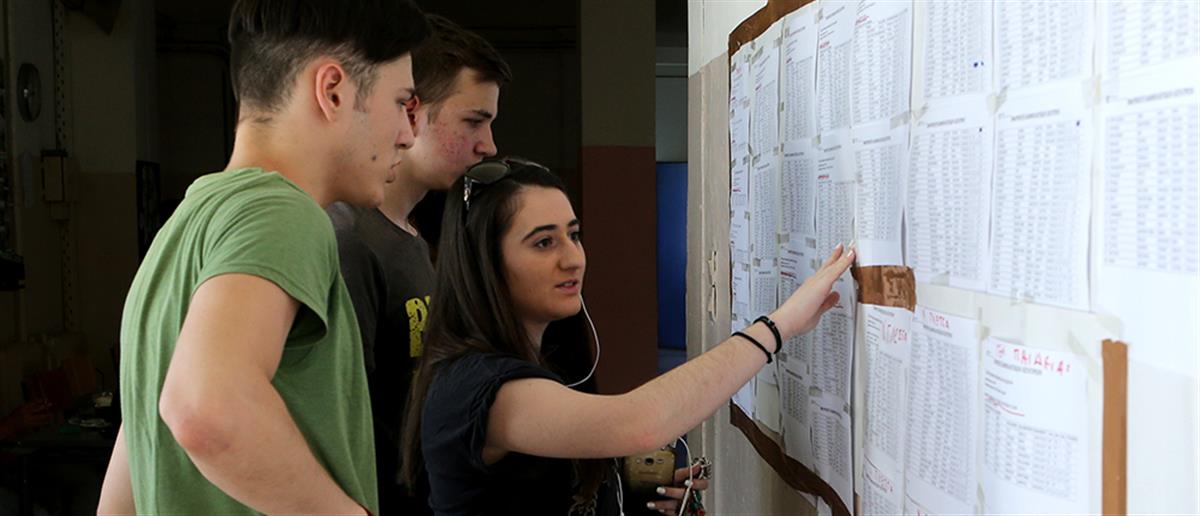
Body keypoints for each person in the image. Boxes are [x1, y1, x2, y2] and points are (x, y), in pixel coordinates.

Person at [96, 1, 428, 514]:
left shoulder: (186, 224)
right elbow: (204, 408)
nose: (408, 134)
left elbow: (134, 458)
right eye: (401, 103)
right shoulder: (283, 214)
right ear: (333, 91)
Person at [401, 158, 856, 515]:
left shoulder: (544, 362)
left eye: (574, 235)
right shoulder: (474, 385)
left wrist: (631, 488)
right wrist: (777, 327)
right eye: (544, 242)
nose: (573, 258)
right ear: (485, 263)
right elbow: (639, 424)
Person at [326, 14, 509, 514]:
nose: (488, 145)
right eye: (474, 121)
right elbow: (345, 421)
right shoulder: (348, 239)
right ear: (411, 111)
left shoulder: (411, 237)